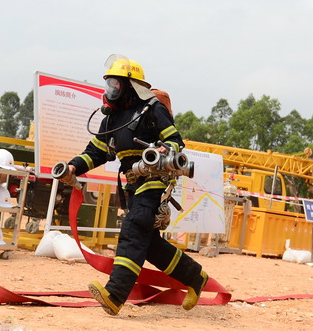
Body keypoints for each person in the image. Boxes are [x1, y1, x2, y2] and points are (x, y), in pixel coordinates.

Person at [59, 54, 208, 316]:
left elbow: (175, 141)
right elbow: (95, 152)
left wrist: (165, 148)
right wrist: (72, 167)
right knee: (147, 243)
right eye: (109, 84)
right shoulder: (112, 119)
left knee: (134, 228)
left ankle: (114, 295)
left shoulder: (152, 109)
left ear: (130, 85)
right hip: (131, 185)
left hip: (154, 181)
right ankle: (196, 278)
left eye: (115, 84)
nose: (110, 90)